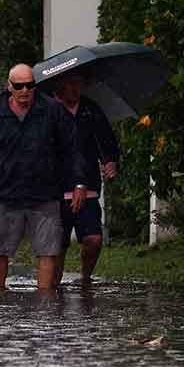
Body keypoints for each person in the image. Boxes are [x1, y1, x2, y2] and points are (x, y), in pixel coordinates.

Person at [0, 63, 87, 291]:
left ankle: (45, 303)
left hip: (45, 195)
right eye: (19, 86)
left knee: (47, 250)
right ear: (9, 87)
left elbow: (72, 149)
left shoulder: (52, 110)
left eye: (30, 85)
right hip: (7, 194)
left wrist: (79, 183)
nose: (25, 91)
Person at [53, 70, 120, 286]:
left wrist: (110, 161)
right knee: (58, 244)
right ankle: (54, 284)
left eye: (78, 84)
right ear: (60, 85)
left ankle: (85, 277)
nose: (75, 89)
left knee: (93, 239)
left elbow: (106, 140)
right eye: (70, 84)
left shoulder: (91, 110)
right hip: (56, 188)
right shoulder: (48, 111)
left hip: (89, 186)